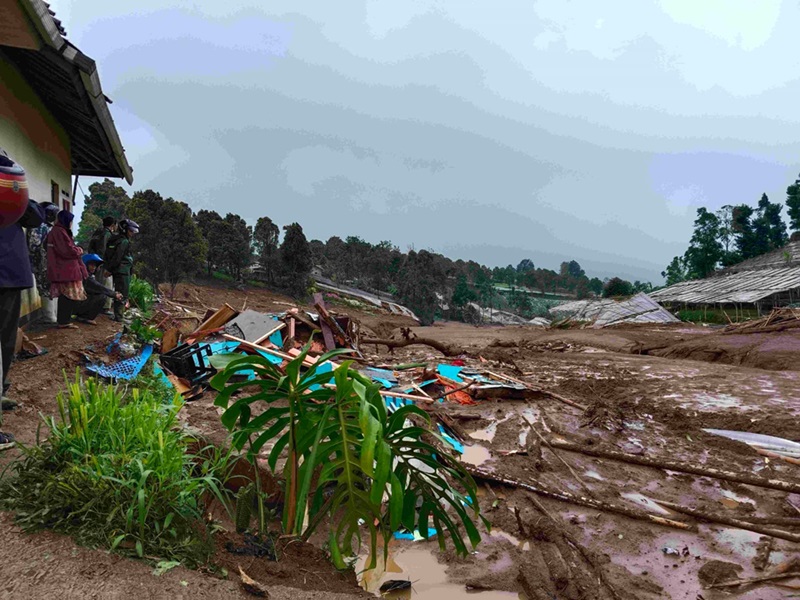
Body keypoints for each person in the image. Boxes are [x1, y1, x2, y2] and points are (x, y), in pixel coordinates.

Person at [0, 152, 45, 448]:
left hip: (8, 274)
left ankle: (0, 389)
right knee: (3, 341)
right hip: (5, 273)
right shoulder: (9, 177)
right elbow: (35, 216)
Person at [46, 210, 86, 329]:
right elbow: (66, 250)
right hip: (65, 268)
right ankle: (64, 321)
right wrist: (79, 250)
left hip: (63, 268)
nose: (71, 223)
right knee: (67, 295)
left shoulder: (57, 231)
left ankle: (64, 320)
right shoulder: (60, 232)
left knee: (66, 295)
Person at [27, 202, 59, 323]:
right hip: (44, 263)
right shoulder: (40, 227)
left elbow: (34, 245)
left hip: (47, 263)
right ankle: (51, 317)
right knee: (48, 288)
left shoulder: (44, 227)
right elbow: (34, 246)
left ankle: (51, 316)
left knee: (49, 288)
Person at [70, 254, 122, 325]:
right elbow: (98, 287)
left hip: (75, 302)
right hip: (73, 304)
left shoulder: (84, 274)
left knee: (99, 294)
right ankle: (86, 317)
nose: (94, 267)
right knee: (102, 296)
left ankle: (83, 316)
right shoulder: (84, 276)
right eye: (91, 265)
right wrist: (114, 294)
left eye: (95, 265)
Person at [105, 218, 139, 323]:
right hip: (122, 271)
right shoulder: (123, 241)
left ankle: (119, 314)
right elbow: (117, 257)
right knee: (122, 293)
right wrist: (110, 269)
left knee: (121, 292)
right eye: (130, 231)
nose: (132, 233)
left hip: (121, 270)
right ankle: (119, 316)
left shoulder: (118, 240)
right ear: (125, 230)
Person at [88, 216, 117, 315]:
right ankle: (104, 307)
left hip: (95, 262)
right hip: (103, 264)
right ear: (112, 225)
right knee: (106, 284)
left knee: (97, 284)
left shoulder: (97, 232)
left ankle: (97, 306)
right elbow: (105, 250)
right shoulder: (107, 234)